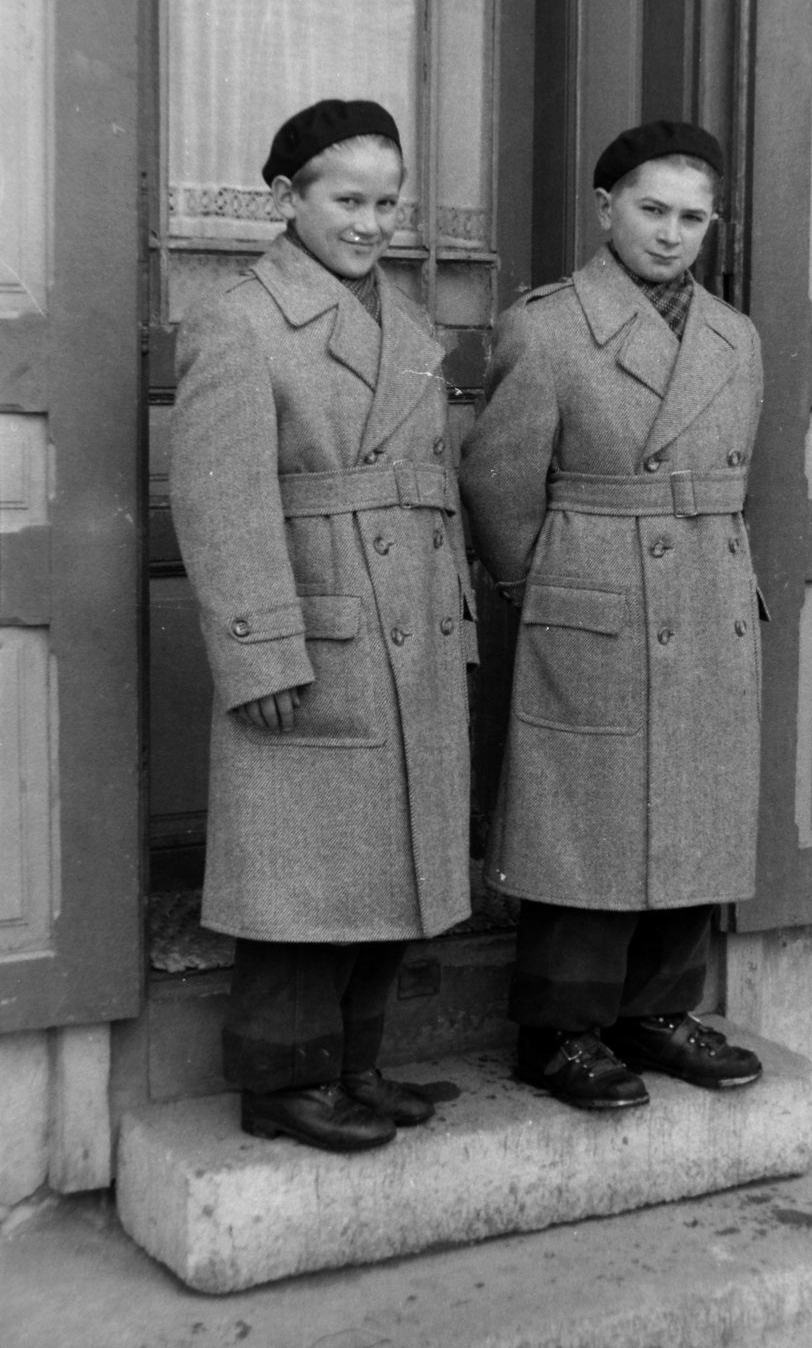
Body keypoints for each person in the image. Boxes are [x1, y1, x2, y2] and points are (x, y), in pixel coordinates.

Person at [171, 99, 476, 1152]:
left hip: (410, 624)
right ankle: (283, 1083)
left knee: (385, 860)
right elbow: (220, 502)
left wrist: (456, 620)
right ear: (284, 198)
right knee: (301, 870)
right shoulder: (240, 321)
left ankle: (354, 1064)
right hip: (317, 627)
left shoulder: (406, 322)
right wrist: (258, 649)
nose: (371, 223)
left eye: (389, 203)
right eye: (347, 200)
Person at [459, 120, 765, 1111]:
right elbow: (498, 482)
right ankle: (559, 1031)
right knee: (584, 814)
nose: (671, 234)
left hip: (706, 594)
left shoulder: (734, 337)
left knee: (694, 804)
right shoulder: (548, 328)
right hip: (593, 597)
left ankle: (657, 1011)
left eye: (693, 217)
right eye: (651, 209)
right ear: (605, 209)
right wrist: (551, 592)